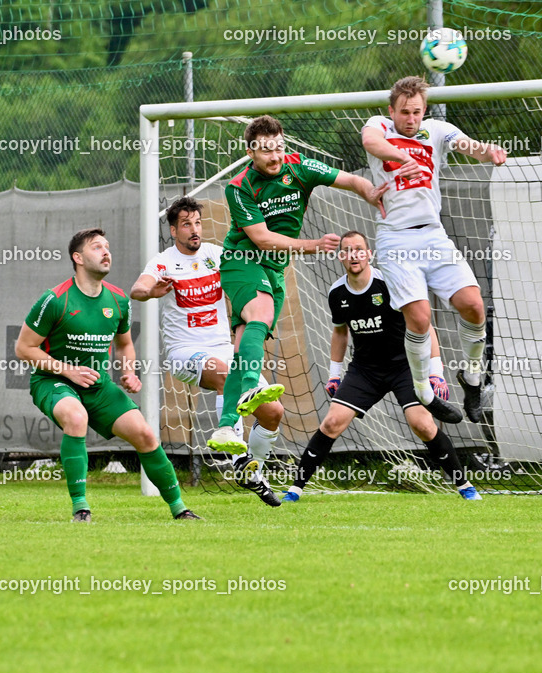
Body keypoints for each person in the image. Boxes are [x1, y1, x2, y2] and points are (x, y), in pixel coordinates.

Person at [207, 115, 388, 465]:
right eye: (265, 151)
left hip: (273, 271)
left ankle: (227, 427)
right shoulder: (239, 186)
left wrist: (369, 191)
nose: (274, 156)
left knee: (247, 339)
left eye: (278, 147)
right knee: (258, 316)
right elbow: (261, 238)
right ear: (250, 152)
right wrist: (314, 244)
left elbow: (347, 178)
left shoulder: (299, 166)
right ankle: (250, 386)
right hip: (242, 260)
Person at [15, 228, 200, 522]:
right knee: (76, 417)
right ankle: (81, 508)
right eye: (96, 247)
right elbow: (24, 348)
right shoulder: (55, 300)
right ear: (78, 257)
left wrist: (129, 372)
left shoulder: (117, 300)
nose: (106, 252)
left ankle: (180, 509)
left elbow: (125, 344)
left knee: (145, 434)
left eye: (107, 246)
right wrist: (68, 371)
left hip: (98, 385)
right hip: (53, 380)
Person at [282, 230, 481, 502]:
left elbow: (424, 327)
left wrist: (435, 373)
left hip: (405, 367)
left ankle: (464, 486)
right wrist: (334, 375)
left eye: (359, 249)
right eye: (348, 250)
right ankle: (295, 490)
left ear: (369, 254)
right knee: (331, 423)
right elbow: (340, 332)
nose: (354, 255)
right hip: (365, 370)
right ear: (341, 256)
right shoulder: (337, 292)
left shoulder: (389, 282)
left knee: (421, 424)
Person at [362, 75, 506, 424]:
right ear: (391, 111)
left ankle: (472, 380)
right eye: (404, 113)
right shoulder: (378, 126)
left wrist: (488, 151)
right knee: (421, 318)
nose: (410, 119)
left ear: (424, 111)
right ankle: (424, 391)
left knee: (473, 305)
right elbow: (371, 142)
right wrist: (401, 156)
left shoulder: (437, 130)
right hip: (396, 239)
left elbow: (467, 145)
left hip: (434, 237)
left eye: (416, 112)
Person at [130, 196, 283, 507]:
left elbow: (245, 271)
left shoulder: (217, 255)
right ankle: (237, 457)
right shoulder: (162, 262)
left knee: (273, 413)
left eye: (197, 223)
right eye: (186, 224)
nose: (194, 229)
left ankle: (253, 470)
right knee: (226, 376)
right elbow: (137, 288)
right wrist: (150, 291)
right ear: (174, 230)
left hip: (224, 349)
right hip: (185, 353)